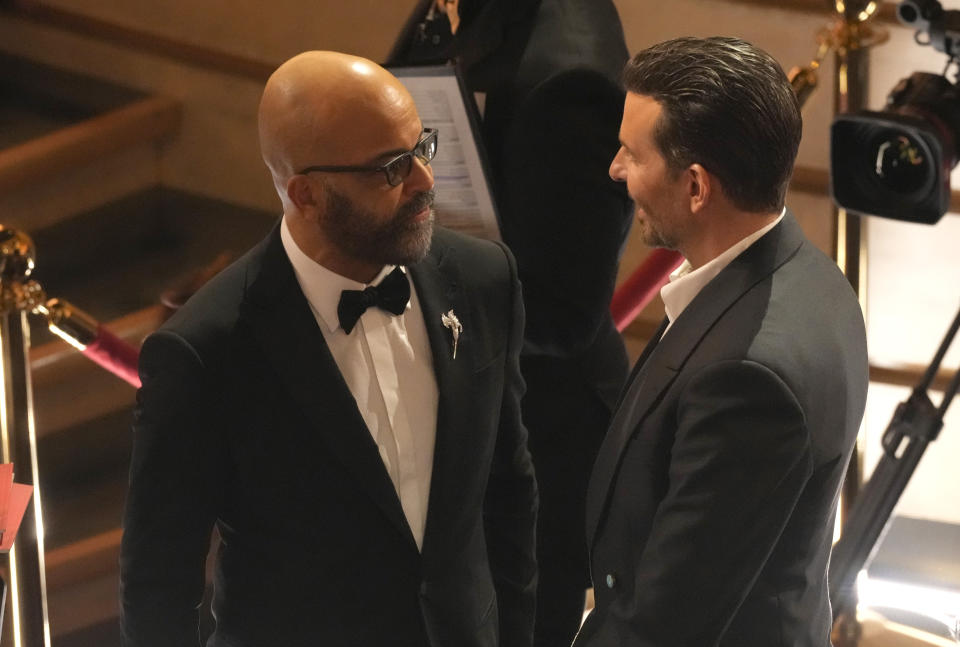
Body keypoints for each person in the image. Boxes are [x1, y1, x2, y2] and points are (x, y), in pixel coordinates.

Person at [119, 51, 537, 647]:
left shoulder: (483, 279)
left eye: (422, 147)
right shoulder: (205, 351)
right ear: (306, 195)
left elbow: (508, 490)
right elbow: (159, 581)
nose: (424, 180)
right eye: (391, 168)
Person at [576, 37, 870, 647]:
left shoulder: (747, 376)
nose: (615, 169)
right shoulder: (811, 275)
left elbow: (667, 624)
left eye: (632, 153)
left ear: (696, 187)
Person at [390, 2, 633, 644]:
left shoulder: (568, 81)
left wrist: (430, 251)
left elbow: (561, 314)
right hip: (495, 395)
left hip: (543, 427)